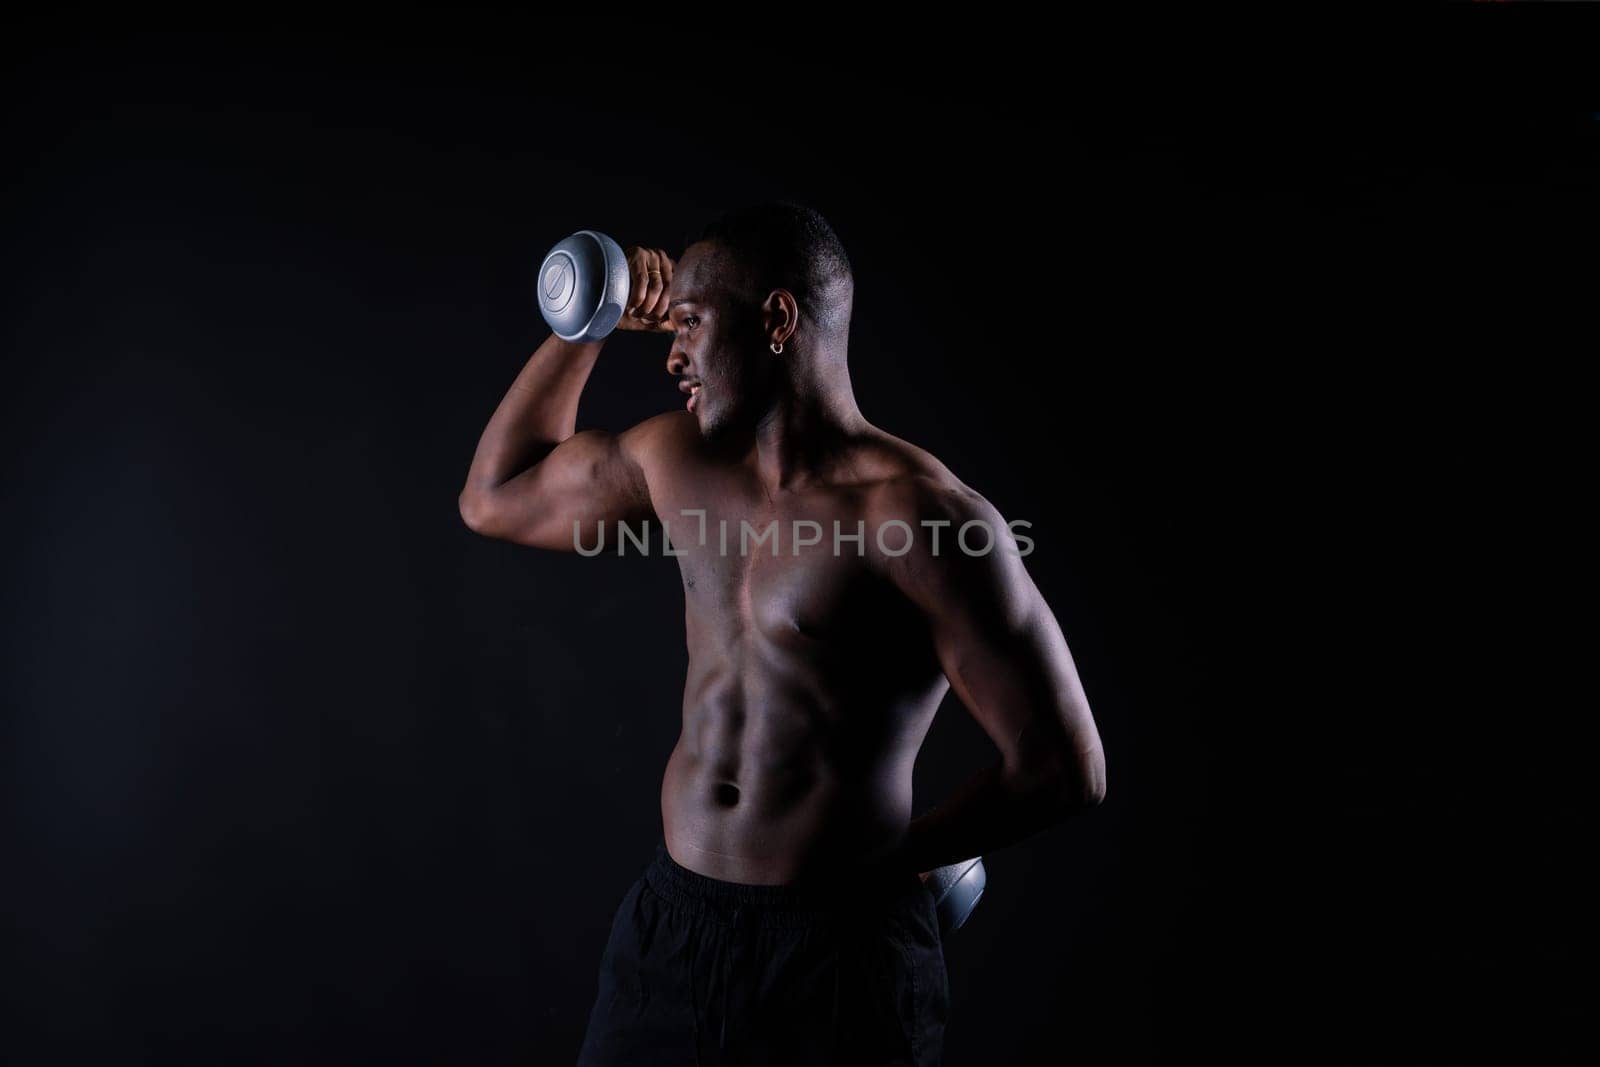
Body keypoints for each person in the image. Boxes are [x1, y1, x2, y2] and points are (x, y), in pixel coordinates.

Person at [458, 202, 1106, 1066]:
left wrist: (900, 866)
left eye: (690, 324)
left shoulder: (921, 517)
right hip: (672, 931)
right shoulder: (676, 461)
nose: (672, 351)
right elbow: (496, 496)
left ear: (777, 319)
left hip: (841, 957)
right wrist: (600, 309)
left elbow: (1066, 766)